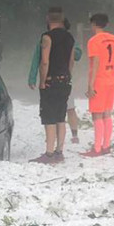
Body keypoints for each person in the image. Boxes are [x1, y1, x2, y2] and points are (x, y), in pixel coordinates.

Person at [30, 8, 79, 165]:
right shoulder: (70, 38)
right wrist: (67, 75)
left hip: (51, 81)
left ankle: (49, 154)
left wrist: (43, 81)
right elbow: (71, 60)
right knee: (60, 117)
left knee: (49, 118)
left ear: (48, 20)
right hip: (65, 80)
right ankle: (59, 152)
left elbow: (45, 61)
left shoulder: (47, 37)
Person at [82, 13, 114, 157]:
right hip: (112, 78)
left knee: (96, 114)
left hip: (99, 79)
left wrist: (90, 85)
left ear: (93, 24)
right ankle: (106, 145)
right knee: (107, 113)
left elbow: (96, 62)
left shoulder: (93, 41)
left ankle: (97, 148)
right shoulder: (112, 38)